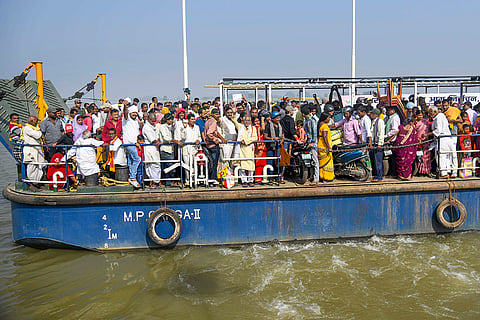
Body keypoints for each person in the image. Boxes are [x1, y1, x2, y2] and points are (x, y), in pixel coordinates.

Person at [424, 106, 456, 178]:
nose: (429, 114)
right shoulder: (441, 116)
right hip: (446, 138)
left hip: (443, 139)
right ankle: (449, 171)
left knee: (441, 156)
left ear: (434, 112)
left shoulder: (439, 117)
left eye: (430, 112)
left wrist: (427, 134)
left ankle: (444, 173)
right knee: (447, 156)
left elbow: (438, 131)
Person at [122, 99, 142, 188]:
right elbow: (125, 114)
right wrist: (125, 106)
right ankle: (133, 177)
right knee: (137, 159)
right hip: (129, 143)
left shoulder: (136, 121)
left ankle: (131, 177)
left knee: (131, 161)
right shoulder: (126, 120)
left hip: (135, 143)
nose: (134, 114)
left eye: (135, 113)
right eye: (133, 113)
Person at [234, 116, 258, 187]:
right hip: (241, 149)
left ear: (250, 121)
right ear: (243, 121)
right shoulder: (240, 127)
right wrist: (234, 112)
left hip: (249, 149)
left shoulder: (253, 128)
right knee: (242, 166)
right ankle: (244, 181)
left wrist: (246, 141)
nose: (247, 122)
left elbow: (255, 137)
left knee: (251, 166)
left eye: (248, 120)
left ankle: (250, 180)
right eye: (246, 120)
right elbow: (234, 120)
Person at [22, 116, 45, 191]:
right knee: (32, 168)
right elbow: (37, 135)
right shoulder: (27, 128)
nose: (37, 122)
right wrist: (40, 131)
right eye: (35, 121)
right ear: (31, 121)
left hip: (37, 150)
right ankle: (32, 184)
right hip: (31, 151)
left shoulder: (35, 129)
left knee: (40, 167)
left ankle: (37, 183)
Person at [159, 113, 180, 187]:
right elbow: (165, 137)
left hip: (170, 149)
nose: (172, 121)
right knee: (170, 167)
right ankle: (168, 182)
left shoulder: (171, 127)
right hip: (165, 149)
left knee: (168, 167)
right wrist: (173, 140)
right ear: (167, 120)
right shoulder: (162, 127)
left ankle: (168, 182)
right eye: (171, 119)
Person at [204, 108, 225, 182]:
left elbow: (215, 132)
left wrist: (222, 139)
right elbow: (209, 133)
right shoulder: (213, 121)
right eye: (216, 114)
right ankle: (213, 178)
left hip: (210, 145)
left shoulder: (208, 121)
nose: (218, 115)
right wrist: (215, 140)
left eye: (218, 114)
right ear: (212, 114)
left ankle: (212, 178)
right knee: (214, 163)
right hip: (213, 146)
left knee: (212, 162)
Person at [264, 111, 284, 184]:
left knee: (279, 163)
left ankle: (278, 178)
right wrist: (272, 139)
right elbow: (265, 136)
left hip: (278, 147)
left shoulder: (280, 125)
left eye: (279, 118)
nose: (278, 119)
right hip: (270, 147)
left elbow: (282, 135)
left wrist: (281, 140)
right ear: (273, 119)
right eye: (277, 118)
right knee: (270, 163)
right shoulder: (268, 125)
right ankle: (270, 179)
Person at [181, 113, 202, 186]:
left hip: (194, 149)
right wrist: (184, 128)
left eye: (194, 119)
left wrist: (198, 140)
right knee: (187, 165)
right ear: (188, 120)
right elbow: (182, 138)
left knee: (194, 165)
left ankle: (194, 180)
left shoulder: (197, 127)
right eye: (192, 119)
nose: (193, 121)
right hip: (186, 149)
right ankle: (187, 180)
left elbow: (199, 137)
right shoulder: (184, 128)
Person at [142, 114, 162, 188]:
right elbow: (152, 139)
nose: (154, 122)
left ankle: (157, 181)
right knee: (150, 166)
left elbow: (157, 136)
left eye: (154, 121)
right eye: (152, 121)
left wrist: (159, 140)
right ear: (149, 120)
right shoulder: (146, 127)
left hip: (155, 149)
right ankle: (153, 182)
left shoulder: (154, 126)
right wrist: (157, 141)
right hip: (149, 148)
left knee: (157, 165)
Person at [302, 106, 320, 185]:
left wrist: (313, 142)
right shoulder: (305, 120)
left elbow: (314, 133)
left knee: (315, 160)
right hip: (308, 142)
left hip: (313, 142)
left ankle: (316, 178)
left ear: (303, 113)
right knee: (310, 160)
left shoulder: (312, 121)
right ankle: (311, 176)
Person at [317, 112, 335, 182]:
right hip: (324, 147)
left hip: (320, 145)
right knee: (327, 162)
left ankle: (321, 176)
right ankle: (327, 177)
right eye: (328, 118)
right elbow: (325, 137)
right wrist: (329, 147)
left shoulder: (320, 124)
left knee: (321, 162)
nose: (329, 119)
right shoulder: (324, 126)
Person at [414, 110, 432, 176]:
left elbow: (428, 129)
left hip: (426, 141)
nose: (420, 117)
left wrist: (427, 136)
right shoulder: (415, 123)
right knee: (420, 156)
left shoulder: (425, 122)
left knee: (427, 157)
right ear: (416, 115)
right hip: (418, 141)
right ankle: (420, 171)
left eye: (421, 115)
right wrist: (417, 139)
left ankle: (427, 171)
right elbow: (414, 131)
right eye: (419, 115)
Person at [368, 109, 385, 182]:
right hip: (373, 143)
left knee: (378, 161)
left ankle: (379, 176)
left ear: (376, 115)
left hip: (377, 143)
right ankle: (375, 175)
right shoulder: (373, 121)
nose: (371, 115)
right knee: (373, 160)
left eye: (372, 114)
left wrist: (380, 143)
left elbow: (381, 133)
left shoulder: (380, 121)